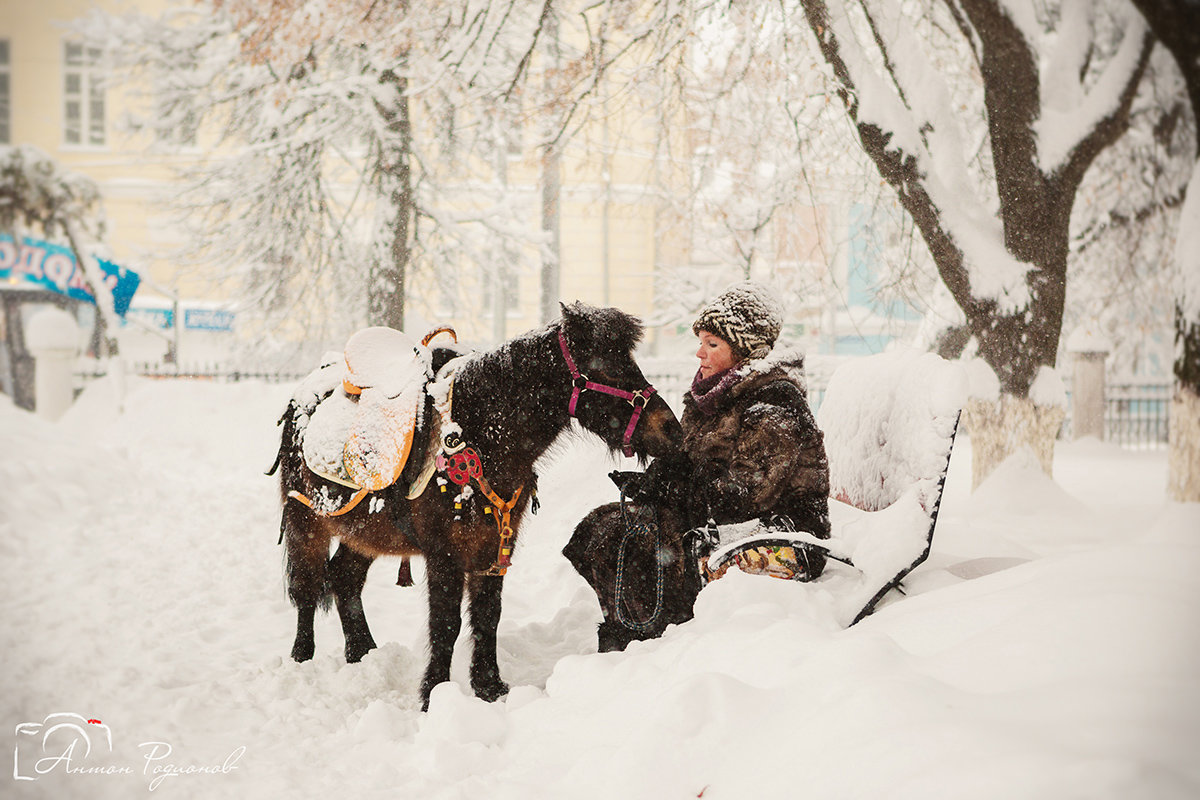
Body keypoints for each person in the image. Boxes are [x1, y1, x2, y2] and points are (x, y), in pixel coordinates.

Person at [563, 282, 831, 651]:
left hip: (777, 532)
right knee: (600, 527)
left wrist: (676, 484)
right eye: (701, 341)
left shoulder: (775, 403)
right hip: (722, 519)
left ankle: (651, 636)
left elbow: (748, 493)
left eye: (712, 344)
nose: (699, 353)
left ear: (744, 350)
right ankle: (635, 625)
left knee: (633, 541)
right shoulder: (712, 396)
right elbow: (690, 463)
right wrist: (660, 477)